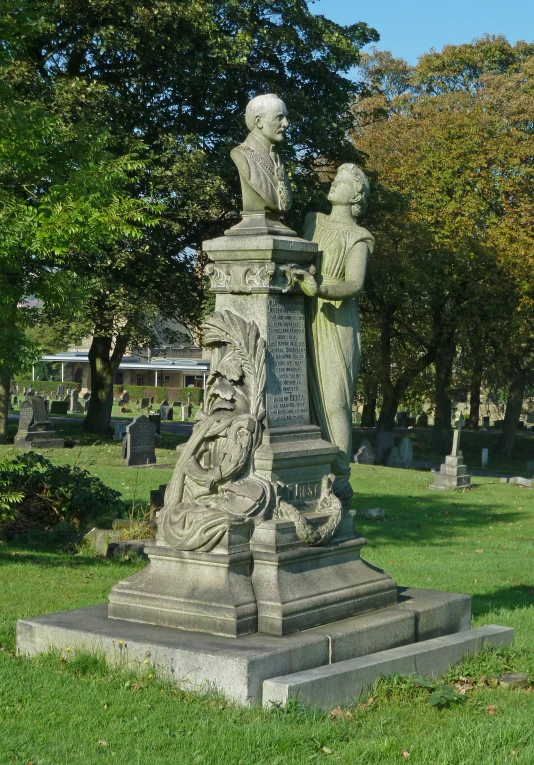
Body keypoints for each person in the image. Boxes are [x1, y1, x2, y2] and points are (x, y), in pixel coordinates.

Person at [292, 164, 374, 500]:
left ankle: (340, 477)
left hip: (336, 322)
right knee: (303, 400)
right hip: (304, 316)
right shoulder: (313, 220)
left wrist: (319, 289)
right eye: (335, 178)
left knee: (335, 402)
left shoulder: (360, 237)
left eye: (342, 181)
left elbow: (354, 283)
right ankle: (309, 469)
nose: (334, 183)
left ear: (355, 194)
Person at [229, 93, 294, 235]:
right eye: (279, 117)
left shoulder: (278, 159)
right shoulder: (242, 155)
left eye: (286, 117)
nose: (286, 123)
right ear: (259, 121)